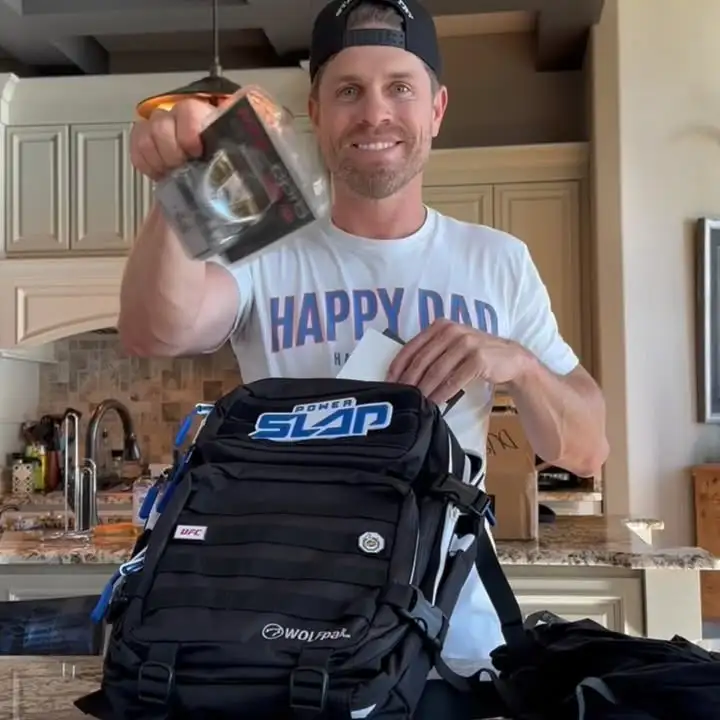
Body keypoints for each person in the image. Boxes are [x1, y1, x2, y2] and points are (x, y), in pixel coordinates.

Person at [120, 0, 609, 715]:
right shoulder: (264, 246)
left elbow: (587, 447)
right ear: (316, 113)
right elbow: (155, 332)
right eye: (348, 90)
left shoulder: (497, 261)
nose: (374, 112)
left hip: (454, 651)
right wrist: (176, 187)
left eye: (399, 87)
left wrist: (518, 364)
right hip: (287, 646)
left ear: (436, 109)